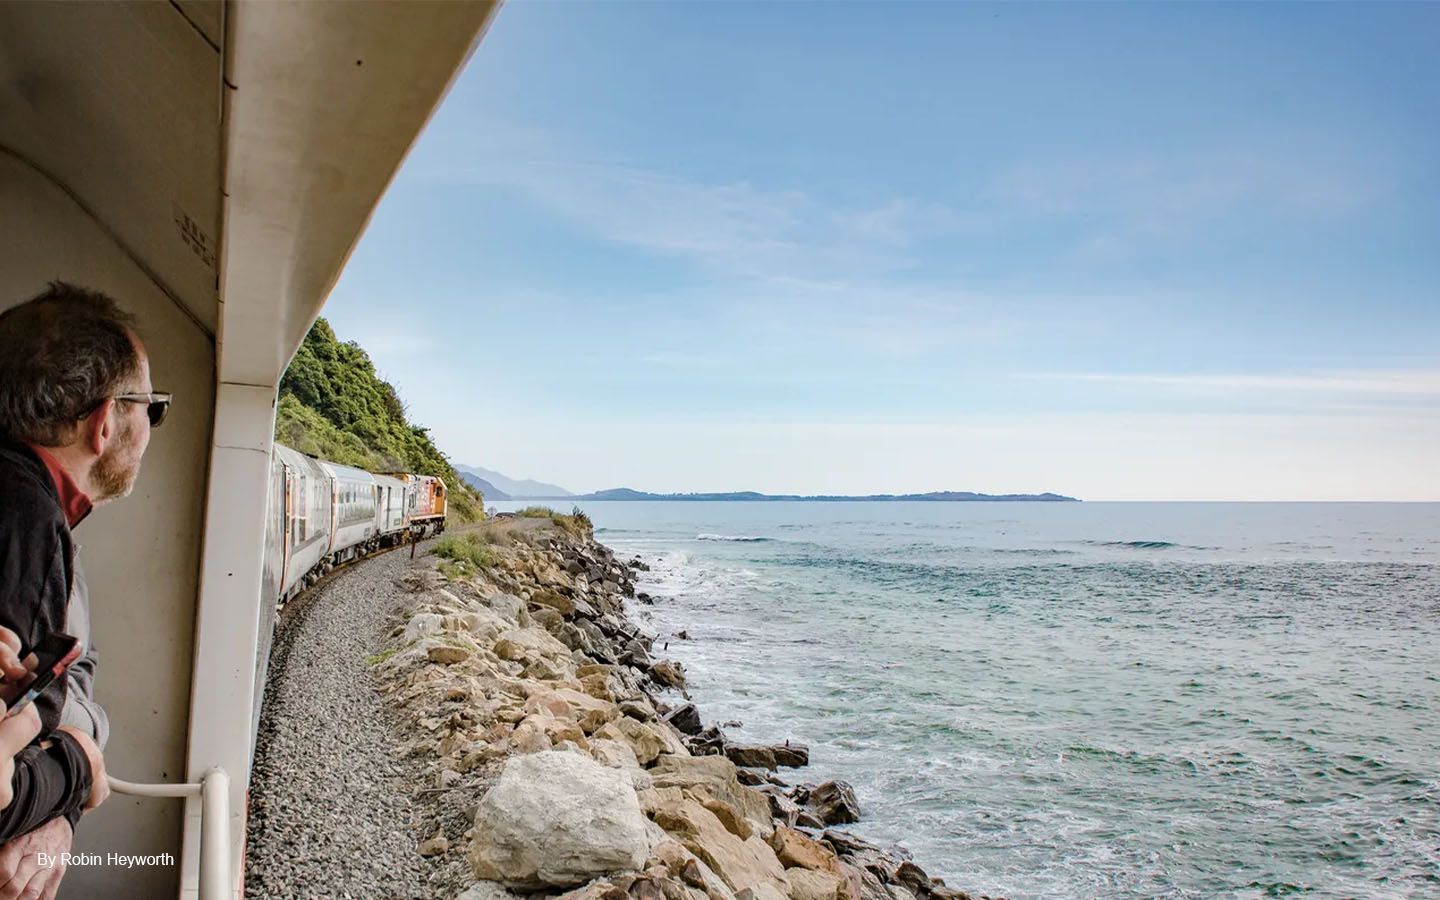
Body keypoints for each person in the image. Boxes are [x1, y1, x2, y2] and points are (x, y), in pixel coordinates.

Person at [0, 282, 168, 899]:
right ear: (103, 422)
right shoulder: (29, 521)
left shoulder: (51, 521)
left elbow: (72, 677)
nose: (150, 427)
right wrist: (77, 769)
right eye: (151, 408)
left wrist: (58, 808)